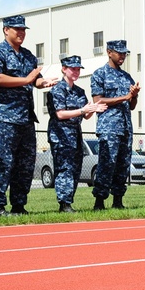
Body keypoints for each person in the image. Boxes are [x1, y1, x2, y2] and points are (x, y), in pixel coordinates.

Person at [0, 15, 59, 217]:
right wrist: (26, 79)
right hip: (5, 118)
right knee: (3, 161)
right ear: (5, 30)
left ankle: (19, 204)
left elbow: (35, 80)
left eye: (24, 30)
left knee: (25, 164)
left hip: (26, 119)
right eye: (17, 29)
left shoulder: (27, 56)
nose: (21, 33)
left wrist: (43, 83)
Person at [47, 55, 107, 213]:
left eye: (78, 69)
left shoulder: (79, 91)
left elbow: (85, 115)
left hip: (75, 134)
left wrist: (92, 109)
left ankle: (68, 200)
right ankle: (64, 203)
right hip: (61, 135)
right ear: (64, 69)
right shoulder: (57, 90)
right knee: (64, 169)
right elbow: (59, 114)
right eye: (72, 69)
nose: (76, 72)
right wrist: (83, 110)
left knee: (75, 169)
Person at [91, 39, 139, 210]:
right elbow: (98, 100)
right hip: (109, 127)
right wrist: (124, 97)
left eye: (124, 53)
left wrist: (133, 95)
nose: (122, 56)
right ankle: (99, 201)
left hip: (125, 127)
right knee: (106, 164)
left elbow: (132, 106)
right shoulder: (100, 74)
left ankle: (118, 200)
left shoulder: (127, 77)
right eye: (119, 53)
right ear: (109, 52)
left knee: (123, 165)